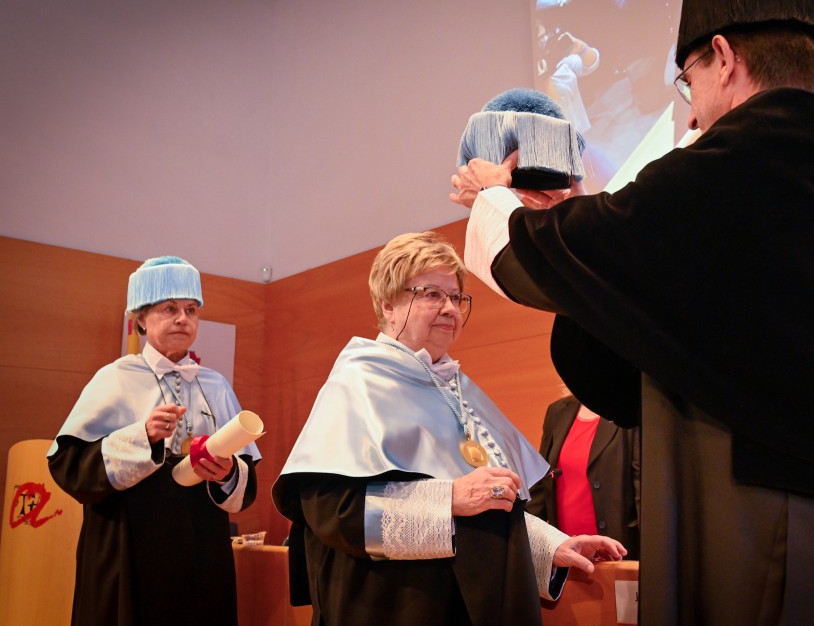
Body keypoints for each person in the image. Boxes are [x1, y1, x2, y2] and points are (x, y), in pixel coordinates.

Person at [449, 0, 814, 623]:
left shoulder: (727, 167)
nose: (690, 111)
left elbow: (547, 260)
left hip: (772, 530)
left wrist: (497, 196)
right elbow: (687, 305)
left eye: (687, 79)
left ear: (723, 56)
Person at [271, 231, 625, 626]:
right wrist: (448, 499)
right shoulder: (358, 382)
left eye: (456, 297)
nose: (450, 309)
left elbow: (486, 506)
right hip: (390, 605)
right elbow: (333, 513)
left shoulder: (455, 388)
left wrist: (552, 545)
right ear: (389, 305)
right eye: (431, 294)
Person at [47, 256, 261, 626]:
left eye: (191, 310)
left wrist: (227, 472)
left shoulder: (215, 384)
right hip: (128, 548)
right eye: (169, 308)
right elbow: (68, 465)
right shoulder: (113, 378)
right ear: (141, 320)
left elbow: (247, 476)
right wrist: (142, 436)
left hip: (200, 552)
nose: (183, 318)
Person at [527, 394, 640, 558]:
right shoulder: (557, 411)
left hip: (619, 557)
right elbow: (541, 485)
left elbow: (645, 497)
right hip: (566, 558)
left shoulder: (631, 409)